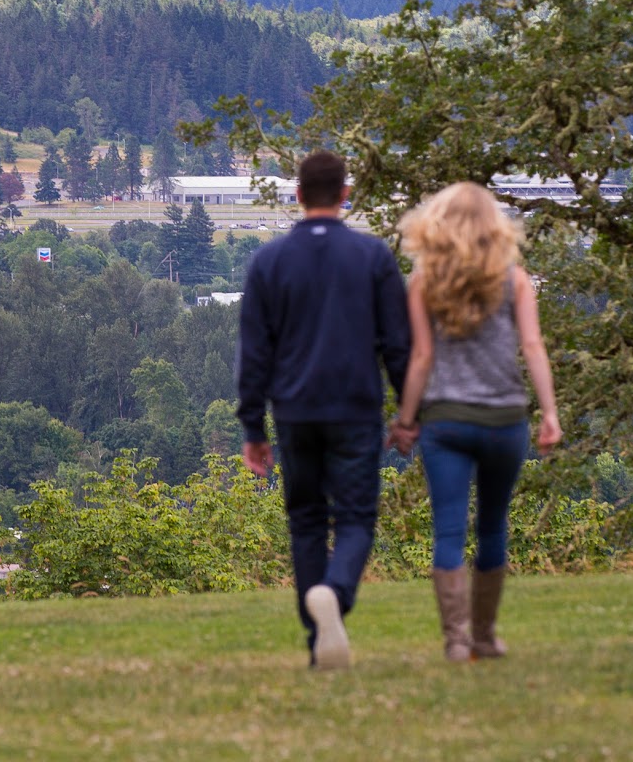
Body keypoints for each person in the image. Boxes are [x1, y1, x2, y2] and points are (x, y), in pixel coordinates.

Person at [236, 150, 410, 670]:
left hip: (294, 412)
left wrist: (252, 425)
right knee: (356, 517)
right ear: (345, 196)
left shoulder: (268, 261)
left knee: (306, 522)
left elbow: (254, 351)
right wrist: (408, 411)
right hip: (356, 410)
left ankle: (319, 643)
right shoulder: (373, 257)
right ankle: (335, 594)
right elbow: (397, 345)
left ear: (296, 196)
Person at [387, 181, 562, 663]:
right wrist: (548, 413)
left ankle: (456, 640)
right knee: (491, 526)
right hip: (505, 419)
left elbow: (421, 357)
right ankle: (485, 635)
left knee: (447, 530)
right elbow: (532, 347)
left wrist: (405, 420)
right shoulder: (515, 280)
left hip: (445, 421)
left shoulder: (424, 282)